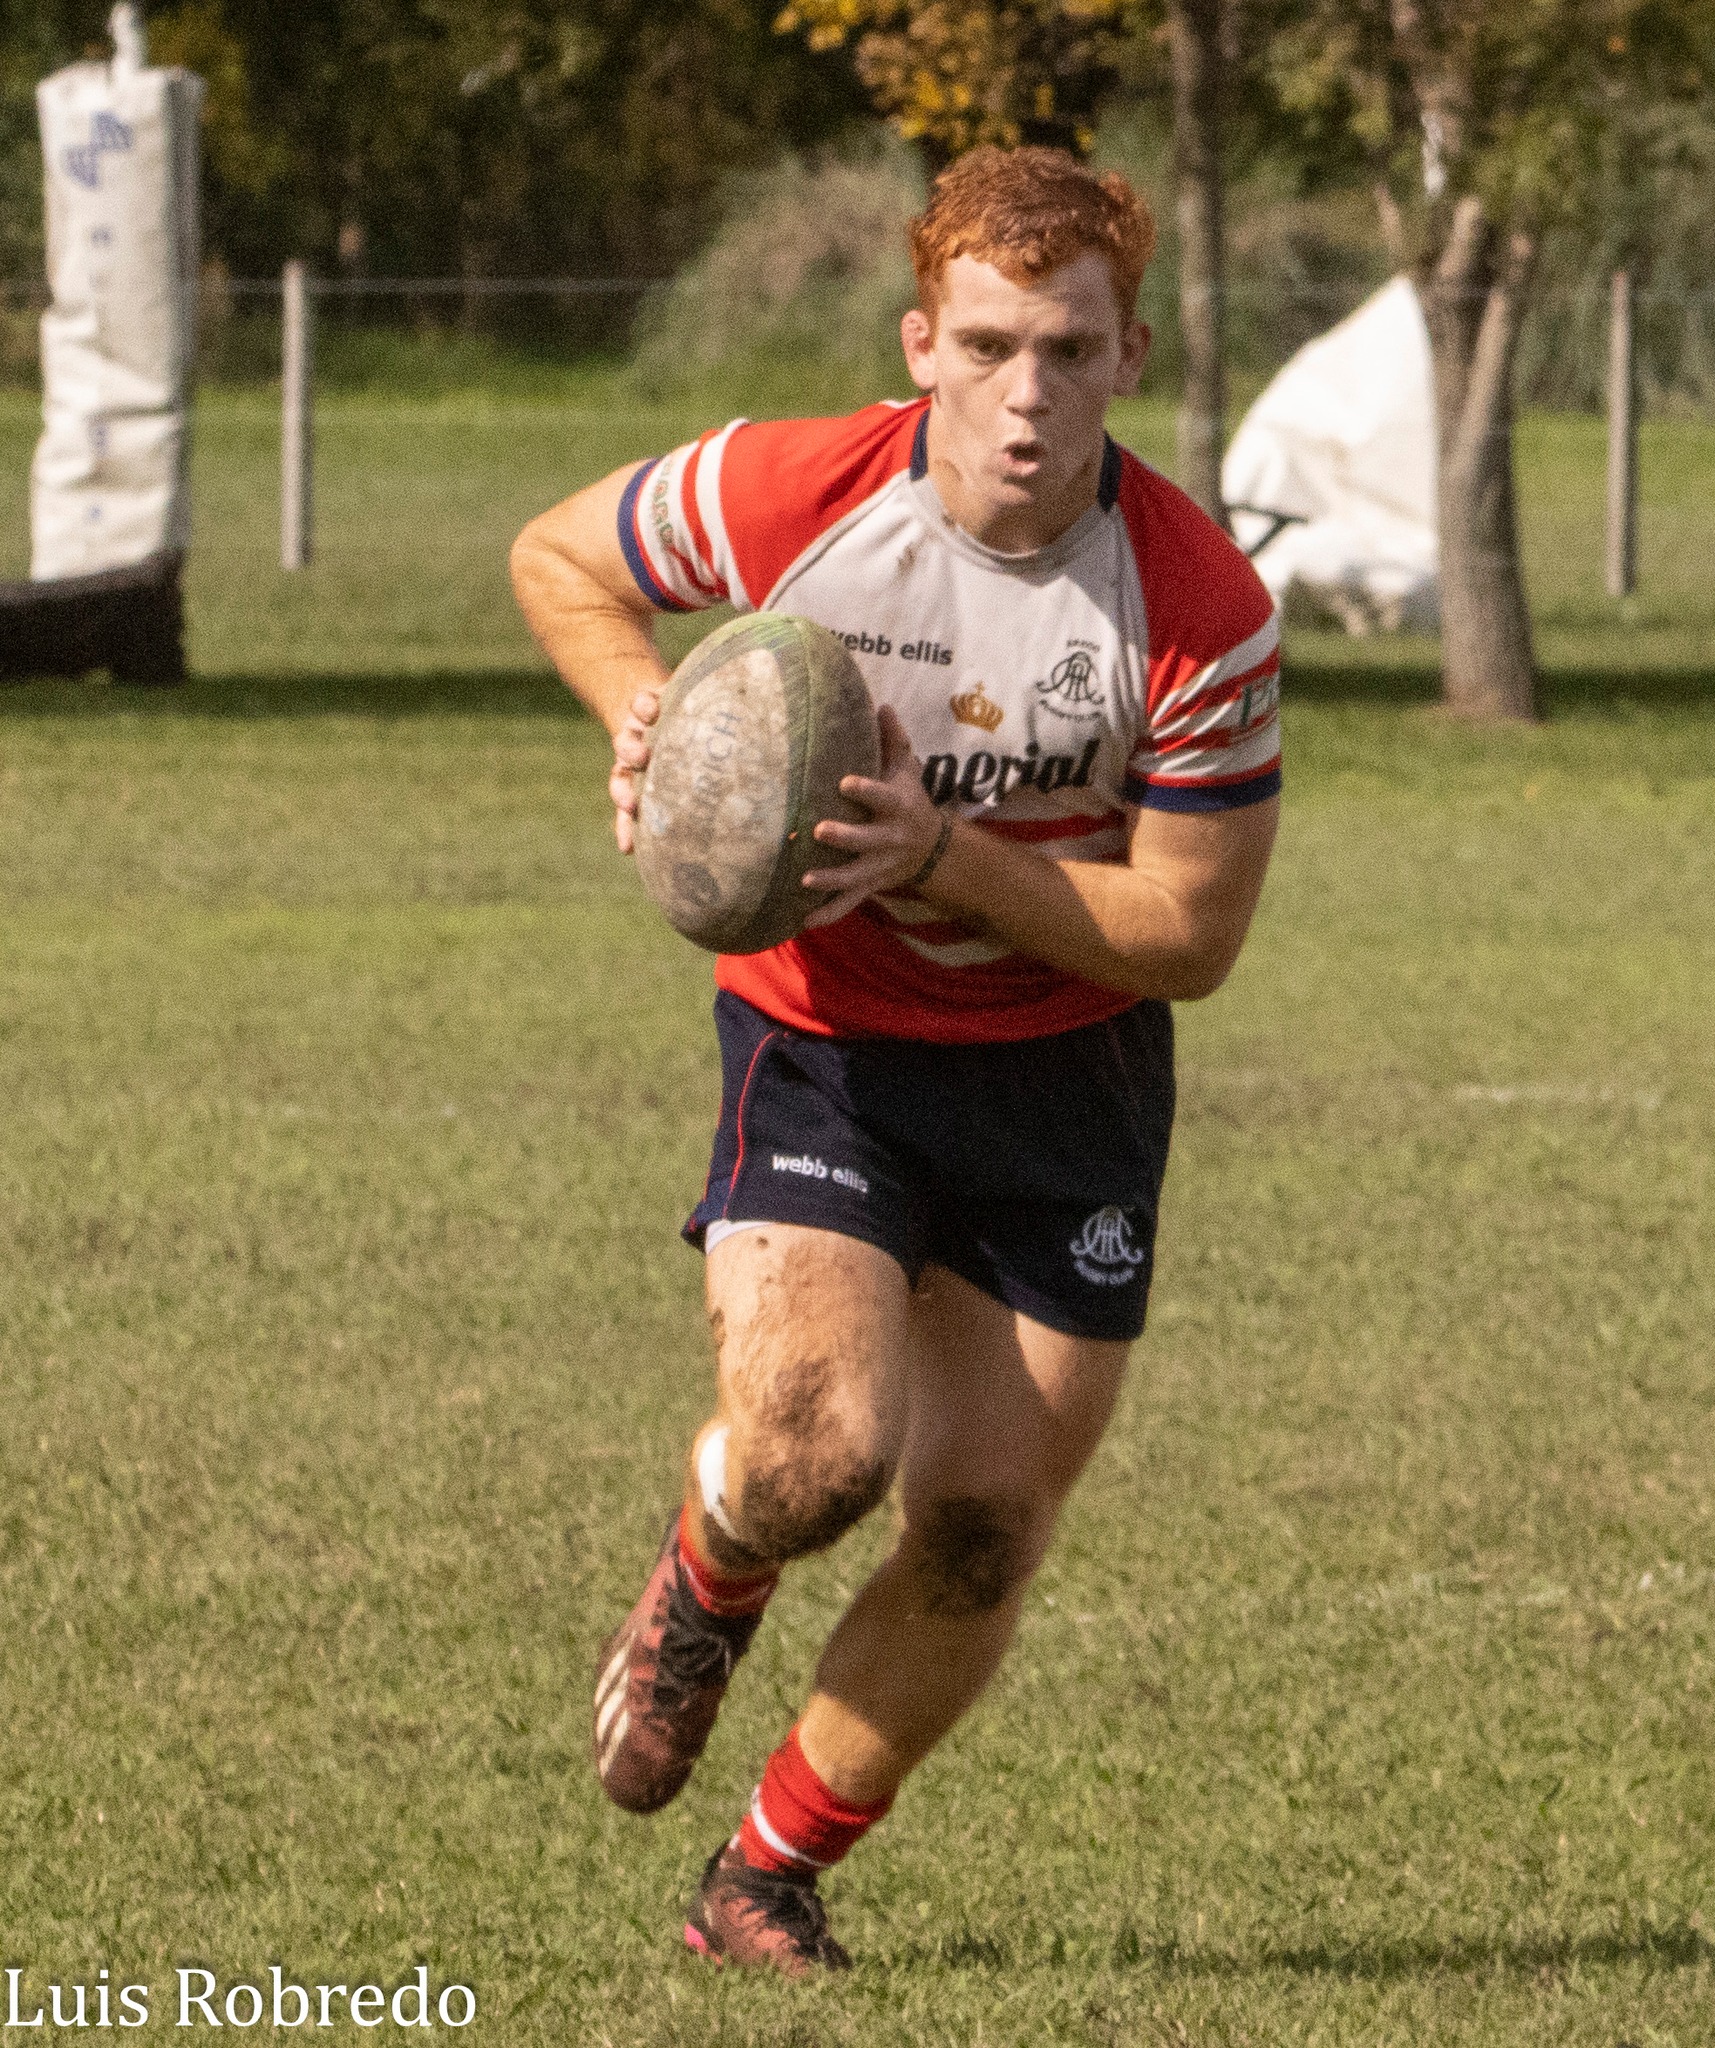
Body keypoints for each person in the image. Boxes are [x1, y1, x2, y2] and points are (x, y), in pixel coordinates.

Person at [509, 144, 1281, 1978]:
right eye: (994, 345)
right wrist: (649, 716)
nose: (1031, 395)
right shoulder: (799, 491)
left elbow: (1191, 933)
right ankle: (714, 1570)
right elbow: (558, 555)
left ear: (1131, 354)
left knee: (988, 1529)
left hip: (1068, 1075)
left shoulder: (1194, 605)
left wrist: (942, 852)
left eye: (1073, 351)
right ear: (921, 342)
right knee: (811, 1453)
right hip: (825, 1037)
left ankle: (759, 1881)